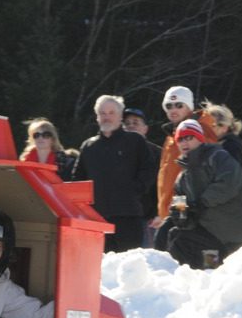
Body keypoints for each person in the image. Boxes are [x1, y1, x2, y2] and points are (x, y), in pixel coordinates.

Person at [165, 120, 242, 269]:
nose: (184, 142)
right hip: (217, 237)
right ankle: (204, 276)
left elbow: (228, 183)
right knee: (178, 236)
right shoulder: (182, 179)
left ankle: (213, 269)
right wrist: (181, 216)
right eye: (180, 139)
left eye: (189, 137)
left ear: (200, 139)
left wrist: (202, 203)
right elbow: (180, 203)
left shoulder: (218, 156)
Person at [71, 95, 156, 252]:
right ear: (97, 117)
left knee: (127, 268)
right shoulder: (89, 146)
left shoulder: (135, 141)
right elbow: (78, 180)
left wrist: (135, 190)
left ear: (120, 116)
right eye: (102, 113)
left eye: (111, 113)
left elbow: (149, 170)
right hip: (97, 220)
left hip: (128, 217)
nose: (106, 117)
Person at [152, 86, 218, 246]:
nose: (173, 109)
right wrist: (162, 212)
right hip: (173, 207)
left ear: (189, 106)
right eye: (169, 106)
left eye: (179, 105)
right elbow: (167, 178)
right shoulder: (171, 137)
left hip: (190, 208)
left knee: (191, 254)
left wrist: (184, 211)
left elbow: (200, 174)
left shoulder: (201, 130)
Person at [122, 107, 162, 245]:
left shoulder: (157, 153)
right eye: (127, 123)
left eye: (135, 122)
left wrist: (159, 212)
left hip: (148, 219)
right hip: (121, 217)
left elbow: (162, 184)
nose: (131, 125)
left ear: (145, 128)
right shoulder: (115, 152)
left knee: (146, 261)